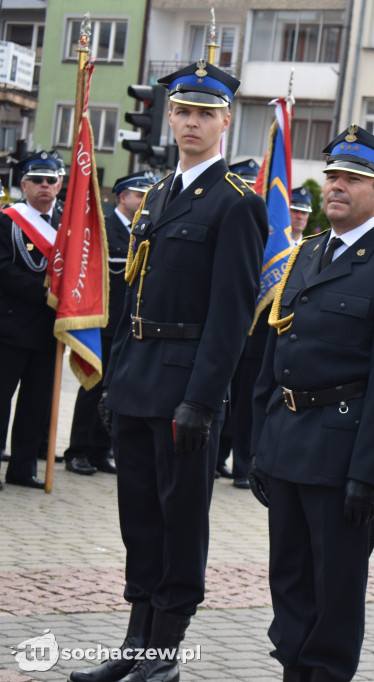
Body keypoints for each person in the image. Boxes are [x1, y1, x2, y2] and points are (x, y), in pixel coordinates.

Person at [70, 60, 268, 682]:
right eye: (183, 111)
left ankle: (163, 654)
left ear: (225, 122)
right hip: (138, 379)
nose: (191, 123)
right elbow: (133, 295)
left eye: (205, 114)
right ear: (170, 116)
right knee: (139, 517)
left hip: (186, 385)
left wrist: (203, 400)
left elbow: (231, 313)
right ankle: (134, 642)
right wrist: (116, 379)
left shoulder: (238, 204)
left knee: (180, 519)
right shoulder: (157, 194)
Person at [248, 124, 374, 682]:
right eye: (332, 175)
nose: (337, 186)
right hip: (289, 446)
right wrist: (259, 444)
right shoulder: (306, 254)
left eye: (354, 178)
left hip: (343, 456)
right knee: (291, 587)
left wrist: (369, 475)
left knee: (335, 596)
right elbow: (275, 355)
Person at [63, 172, 154, 476]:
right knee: (92, 389)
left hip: (130, 328)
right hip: (102, 325)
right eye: (138, 195)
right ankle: (77, 451)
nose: (143, 201)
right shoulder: (101, 229)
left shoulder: (146, 232)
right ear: (122, 196)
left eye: (147, 195)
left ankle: (101, 451)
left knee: (115, 393)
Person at [0, 151, 65, 490]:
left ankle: (23, 468)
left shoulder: (68, 225)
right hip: (9, 327)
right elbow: (2, 269)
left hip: (49, 330)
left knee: (36, 405)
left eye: (51, 180)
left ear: (59, 184)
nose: (44, 186)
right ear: (23, 184)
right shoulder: (6, 219)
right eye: (37, 180)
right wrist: (45, 294)